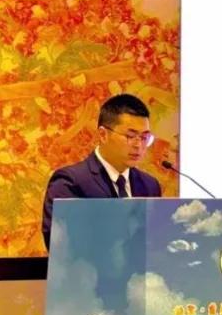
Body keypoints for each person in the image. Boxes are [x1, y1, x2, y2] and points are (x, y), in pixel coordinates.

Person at [41, 93, 162, 249]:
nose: (138, 145)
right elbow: (60, 245)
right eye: (130, 136)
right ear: (103, 135)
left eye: (145, 138)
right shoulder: (71, 182)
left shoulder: (150, 185)